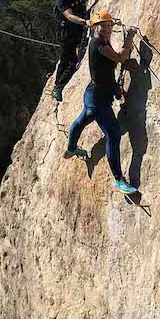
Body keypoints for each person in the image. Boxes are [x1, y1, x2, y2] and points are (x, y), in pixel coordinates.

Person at [64, 10, 138, 195]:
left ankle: (72, 148)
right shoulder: (98, 44)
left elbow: (107, 71)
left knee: (83, 119)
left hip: (94, 94)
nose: (106, 29)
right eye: (102, 26)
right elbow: (121, 57)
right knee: (113, 134)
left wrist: (115, 88)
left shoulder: (102, 41)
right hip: (98, 99)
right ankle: (119, 180)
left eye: (108, 26)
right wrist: (129, 38)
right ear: (95, 27)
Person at [50, 0, 89, 101]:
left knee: (72, 60)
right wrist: (85, 22)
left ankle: (58, 85)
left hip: (77, 33)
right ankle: (57, 87)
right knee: (68, 61)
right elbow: (69, 16)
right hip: (66, 34)